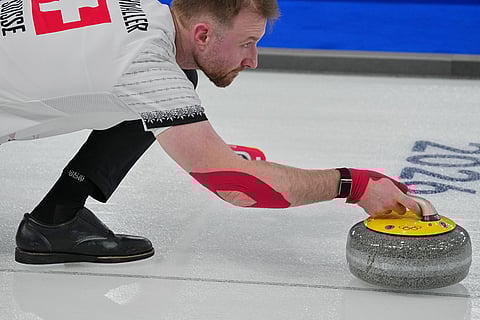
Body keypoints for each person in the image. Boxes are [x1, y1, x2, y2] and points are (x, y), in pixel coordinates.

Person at [0, 0, 421, 265]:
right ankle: (55, 221)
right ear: (202, 32)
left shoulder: (140, 11)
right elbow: (236, 186)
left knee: (183, 85)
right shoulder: (148, 69)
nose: (253, 59)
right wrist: (355, 184)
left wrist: (201, 141)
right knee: (176, 91)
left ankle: (57, 217)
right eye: (247, 43)